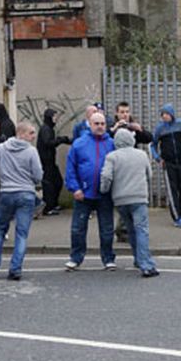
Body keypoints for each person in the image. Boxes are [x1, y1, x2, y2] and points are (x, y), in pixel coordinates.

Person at [0, 122, 43, 280]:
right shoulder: (31, 151)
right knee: (21, 233)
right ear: (21, 133)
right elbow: (38, 175)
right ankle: (15, 269)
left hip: (6, 192)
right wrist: (32, 181)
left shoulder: (1, 148)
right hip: (26, 193)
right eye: (31, 133)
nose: (33, 137)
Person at [100, 128, 159, 277]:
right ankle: (145, 264)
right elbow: (149, 175)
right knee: (142, 230)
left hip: (120, 200)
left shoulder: (111, 157)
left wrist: (104, 190)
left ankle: (139, 259)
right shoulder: (141, 155)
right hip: (139, 197)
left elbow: (106, 177)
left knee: (131, 230)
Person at [64, 112, 116, 271]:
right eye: (96, 124)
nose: (100, 127)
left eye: (102, 124)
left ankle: (108, 259)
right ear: (90, 124)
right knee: (78, 228)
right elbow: (70, 168)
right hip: (83, 194)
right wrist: (75, 188)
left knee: (107, 228)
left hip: (105, 195)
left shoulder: (112, 144)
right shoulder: (79, 144)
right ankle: (75, 258)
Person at [150, 104, 181, 228]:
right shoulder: (160, 129)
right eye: (162, 114)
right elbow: (153, 145)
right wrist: (158, 158)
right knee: (172, 192)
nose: (164, 116)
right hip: (168, 164)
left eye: (166, 113)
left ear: (172, 114)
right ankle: (177, 218)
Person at [37, 108, 71, 216]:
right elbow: (48, 142)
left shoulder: (48, 129)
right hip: (46, 162)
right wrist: (60, 140)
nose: (56, 119)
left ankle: (53, 204)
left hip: (49, 161)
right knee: (49, 185)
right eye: (54, 117)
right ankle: (48, 207)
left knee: (57, 182)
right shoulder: (46, 129)